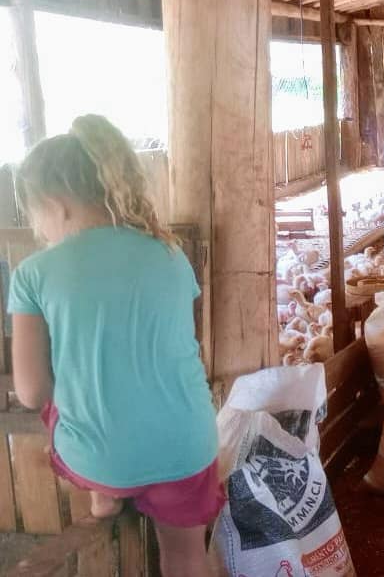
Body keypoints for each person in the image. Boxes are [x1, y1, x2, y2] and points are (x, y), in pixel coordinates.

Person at [9, 115, 223, 577]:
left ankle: (104, 496)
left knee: (60, 404)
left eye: (36, 215)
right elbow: (178, 347)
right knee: (187, 558)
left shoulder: (32, 273)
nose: (39, 229)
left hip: (100, 457)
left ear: (55, 204)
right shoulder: (170, 253)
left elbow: (30, 393)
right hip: (187, 447)